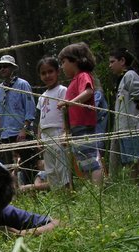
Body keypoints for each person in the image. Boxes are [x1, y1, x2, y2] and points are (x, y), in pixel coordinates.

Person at [57, 42, 103, 184]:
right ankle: (92, 192)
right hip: (76, 126)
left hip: (84, 125)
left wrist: (69, 103)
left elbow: (89, 92)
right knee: (83, 161)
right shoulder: (73, 81)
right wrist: (65, 131)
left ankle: (97, 190)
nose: (62, 66)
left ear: (75, 61)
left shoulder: (83, 75)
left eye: (64, 62)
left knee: (91, 159)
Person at [0, 55, 36, 185]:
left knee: (28, 165)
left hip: (22, 132)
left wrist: (24, 130)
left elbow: (30, 109)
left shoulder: (22, 84)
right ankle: (14, 193)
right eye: (0, 67)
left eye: (6, 66)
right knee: (7, 167)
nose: (3, 69)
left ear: (12, 68)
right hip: (5, 134)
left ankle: (32, 192)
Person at [35, 56, 70, 189]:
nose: (47, 75)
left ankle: (68, 191)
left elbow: (66, 113)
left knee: (62, 166)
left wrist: (66, 132)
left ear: (57, 72)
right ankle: (57, 194)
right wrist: (39, 138)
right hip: (45, 135)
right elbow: (41, 119)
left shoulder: (62, 90)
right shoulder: (42, 97)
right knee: (50, 169)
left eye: (50, 71)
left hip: (58, 132)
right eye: (43, 73)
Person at [108, 48, 139, 184]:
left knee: (137, 159)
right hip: (123, 129)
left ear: (122, 61)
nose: (110, 65)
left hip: (132, 126)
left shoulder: (130, 75)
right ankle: (135, 189)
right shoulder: (121, 79)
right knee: (129, 161)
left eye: (112, 61)